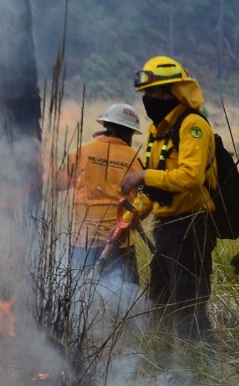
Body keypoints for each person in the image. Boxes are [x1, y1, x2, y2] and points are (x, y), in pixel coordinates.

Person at [118, 55, 218, 340]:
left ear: (169, 92)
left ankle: (203, 363)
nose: (147, 99)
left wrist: (143, 176)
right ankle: (162, 363)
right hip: (166, 231)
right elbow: (154, 191)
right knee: (160, 304)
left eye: (151, 92)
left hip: (191, 229)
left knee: (189, 307)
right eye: (145, 93)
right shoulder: (156, 131)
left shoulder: (192, 125)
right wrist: (128, 219)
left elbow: (190, 177)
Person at [52, 102, 143, 283]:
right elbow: (144, 199)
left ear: (106, 127)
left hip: (82, 241)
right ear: (128, 133)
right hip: (120, 242)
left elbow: (58, 184)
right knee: (125, 295)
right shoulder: (136, 159)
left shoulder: (82, 151)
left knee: (79, 291)